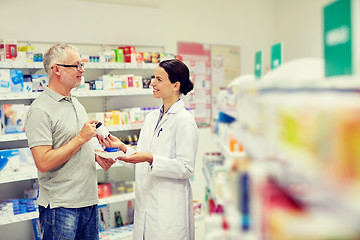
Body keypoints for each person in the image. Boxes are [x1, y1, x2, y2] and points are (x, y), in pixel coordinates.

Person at [98, 59, 199, 240]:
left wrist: (151, 159)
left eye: (159, 79)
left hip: (168, 213)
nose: (152, 82)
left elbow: (186, 168)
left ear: (175, 85)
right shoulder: (152, 118)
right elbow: (143, 159)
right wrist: (122, 148)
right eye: (154, 77)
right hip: (146, 208)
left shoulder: (184, 120)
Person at [24, 43, 115, 240]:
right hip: (61, 207)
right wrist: (82, 137)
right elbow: (44, 161)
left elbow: (71, 144)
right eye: (76, 65)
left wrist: (95, 155)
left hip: (88, 202)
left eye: (82, 64)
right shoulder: (40, 110)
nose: (82, 70)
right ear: (56, 69)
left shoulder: (75, 103)